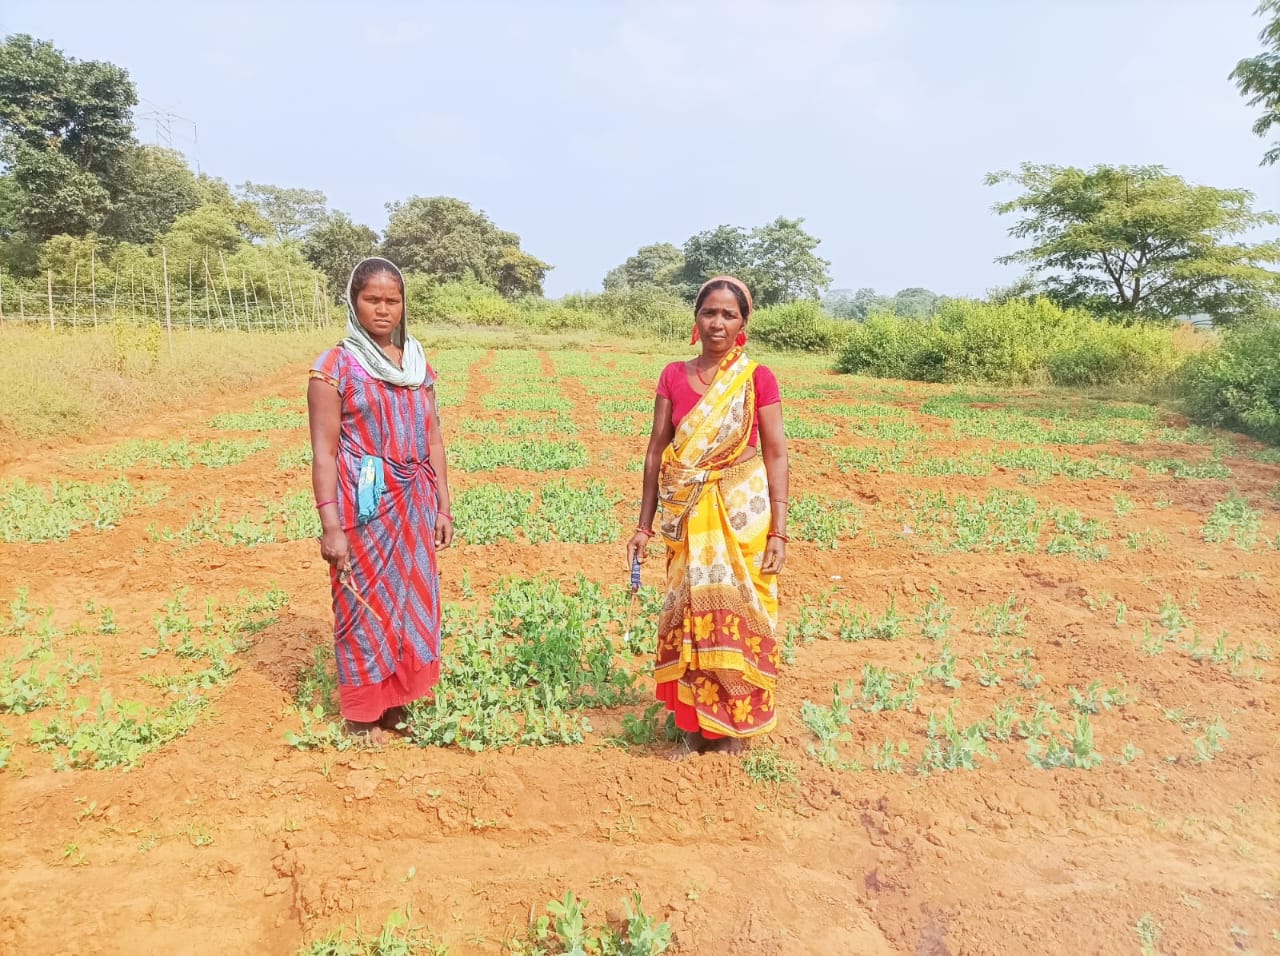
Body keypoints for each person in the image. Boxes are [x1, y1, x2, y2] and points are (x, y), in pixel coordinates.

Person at [625, 276, 789, 756]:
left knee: (742, 616)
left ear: (743, 324)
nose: (718, 323)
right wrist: (643, 525)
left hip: (742, 517)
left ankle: (735, 729)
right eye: (709, 313)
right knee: (691, 617)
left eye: (729, 315)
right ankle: (694, 728)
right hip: (688, 516)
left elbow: (776, 454)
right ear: (696, 318)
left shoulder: (757, 378)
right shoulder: (673, 375)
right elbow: (657, 451)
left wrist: (780, 530)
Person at [307, 256, 454, 742]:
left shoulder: (416, 363)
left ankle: (398, 703)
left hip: (414, 503)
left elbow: (433, 438)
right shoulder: (335, 367)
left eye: (393, 301)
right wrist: (331, 526)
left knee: (412, 602)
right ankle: (362, 714)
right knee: (361, 604)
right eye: (372, 299)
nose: (383, 310)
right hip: (364, 506)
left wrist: (443, 503)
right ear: (354, 302)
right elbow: (324, 453)